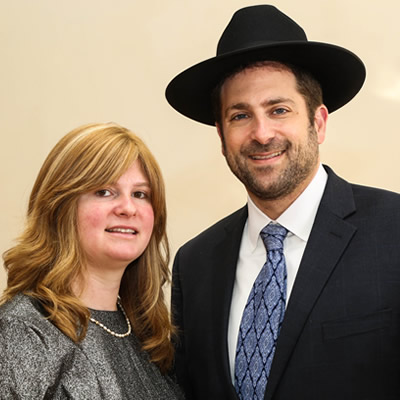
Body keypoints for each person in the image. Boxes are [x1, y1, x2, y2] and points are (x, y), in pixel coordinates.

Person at [165, 5, 400, 400]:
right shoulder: (195, 264)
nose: (261, 133)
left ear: (318, 123)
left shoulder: (393, 231)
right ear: (221, 136)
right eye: (240, 116)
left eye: (279, 110)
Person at [0, 123, 184, 399]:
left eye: (140, 194)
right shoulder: (23, 330)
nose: (128, 208)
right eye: (104, 191)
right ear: (60, 208)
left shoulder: (150, 338)